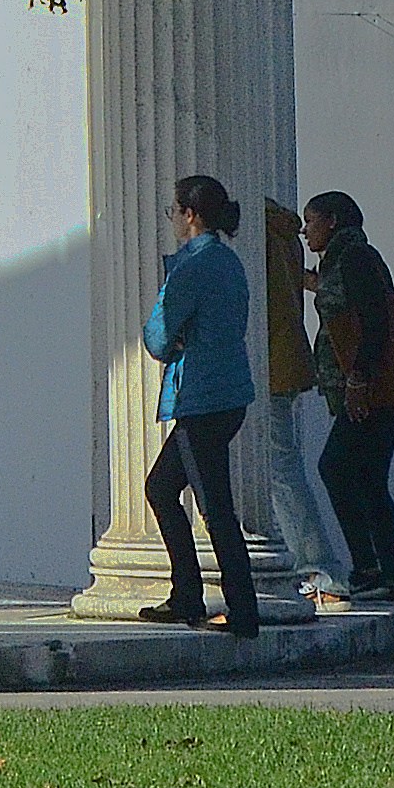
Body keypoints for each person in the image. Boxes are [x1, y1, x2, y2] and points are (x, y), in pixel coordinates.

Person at [136, 172, 266, 634]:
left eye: (174, 211)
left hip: (202, 397)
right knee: (161, 488)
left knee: (215, 508)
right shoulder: (230, 262)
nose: (173, 220)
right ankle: (186, 596)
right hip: (229, 394)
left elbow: (156, 336)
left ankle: (242, 611)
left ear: (190, 215)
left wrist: (173, 346)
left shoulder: (191, 267)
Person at [247, 185, 359, 615]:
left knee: (281, 472)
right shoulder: (282, 233)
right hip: (286, 364)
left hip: (269, 367)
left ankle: (320, 574)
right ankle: (318, 572)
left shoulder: (255, 234)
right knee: (283, 469)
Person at [302, 191, 394, 607]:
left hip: (373, 389)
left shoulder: (354, 258)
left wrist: (358, 380)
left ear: (331, 221)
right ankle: (388, 575)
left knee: (335, 467)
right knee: (368, 479)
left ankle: (371, 568)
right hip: (375, 388)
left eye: (310, 220)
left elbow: (372, 320)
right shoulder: (346, 259)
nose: (305, 229)